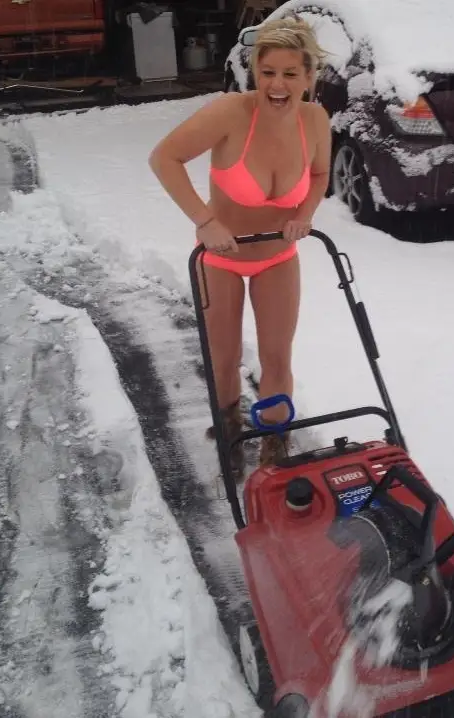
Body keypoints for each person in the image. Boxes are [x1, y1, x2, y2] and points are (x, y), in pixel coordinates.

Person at [148, 15, 331, 477]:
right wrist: (206, 221)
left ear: (309, 76)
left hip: (277, 257)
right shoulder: (231, 113)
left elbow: (320, 174)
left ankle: (275, 444)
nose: (277, 85)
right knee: (224, 358)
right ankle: (228, 430)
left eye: (290, 73)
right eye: (267, 72)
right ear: (255, 73)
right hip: (221, 260)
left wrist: (304, 214)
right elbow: (164, 157)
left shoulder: (314, 120)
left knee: (277, 357)